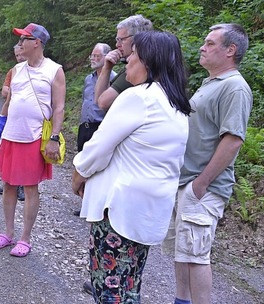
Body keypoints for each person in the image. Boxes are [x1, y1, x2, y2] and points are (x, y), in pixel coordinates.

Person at [71, 31, 191, 303]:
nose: (128, 61)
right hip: (148, 212)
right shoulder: (176, 104)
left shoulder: (139, 97)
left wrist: (78, 175)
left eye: (133, 54)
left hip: (119, 211)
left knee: (109, 291)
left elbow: (99, 146)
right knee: (130, 286)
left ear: (149, 60)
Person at [162, 24, 252, 304]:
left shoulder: (235, 87)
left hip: (203, 188)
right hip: (186, 182)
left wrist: (201, 184)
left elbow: (233, 140)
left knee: (196, 255)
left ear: (230, 50)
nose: (202, 47)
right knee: (182, 251)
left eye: (210, 43)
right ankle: (181, 301)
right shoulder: (211, 84)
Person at [80, 13, 153, 295]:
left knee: (115, 233)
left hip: (124, 151)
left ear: (135, 41)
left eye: (120, 38)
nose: (117, 44)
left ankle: (110, 285)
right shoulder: (144, 67)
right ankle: (118, 286)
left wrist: (80, 174)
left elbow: (102, 102)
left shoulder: (135, 69)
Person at [0, 23, 66, 258]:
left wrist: (53, 138)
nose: (20, 43)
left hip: (35, 137)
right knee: (9, 185)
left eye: (25, 38)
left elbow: (59, 107)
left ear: (37, 43)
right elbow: (8, 103)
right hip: (11, 135)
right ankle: (8, 233)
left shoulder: (54, 70)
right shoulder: (17, 69)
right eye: (20, 39)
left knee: (30, 187)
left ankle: (25, 238)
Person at [72, 43, 116, 217]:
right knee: (82, 162)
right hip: (85, 125)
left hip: (101, 126)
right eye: (92, 56)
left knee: (98, 167)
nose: (94, 59)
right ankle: (85, 203)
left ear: (106, 57)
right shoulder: (88, 79)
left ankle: (100, 207)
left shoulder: (114, 78)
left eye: (98, 56)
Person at [94, 15, 153, 111]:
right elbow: (98, 100)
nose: (117, 45)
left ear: (136, 39)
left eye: (122, 39)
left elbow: (102, 102)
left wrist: (106, 69)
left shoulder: (138, 70)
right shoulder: (147, 64)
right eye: (117, 40)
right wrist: (107, 68)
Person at [0, 45, 26, 201]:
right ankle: (9, 181)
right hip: (11, 116)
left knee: (23, 154)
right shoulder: (13, 71)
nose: (19, 58)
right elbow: (4, 91)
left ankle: (22, 186)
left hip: (27, 121)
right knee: (8, 151)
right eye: (17, 55)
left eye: (21, 55)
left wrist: (14, 92)